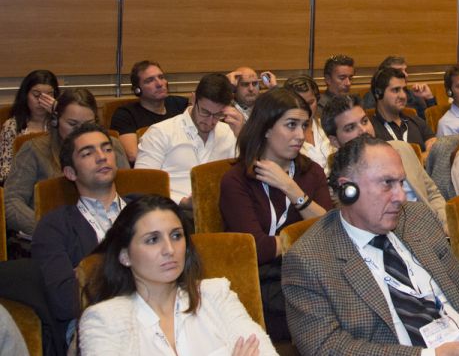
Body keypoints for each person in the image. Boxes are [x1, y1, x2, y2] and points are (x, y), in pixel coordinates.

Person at [281, 135, 459, 356]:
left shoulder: (415, 218)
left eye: (401, 183)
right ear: (348, 189)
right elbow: (325, 347)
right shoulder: (309, 259)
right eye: (387, 184)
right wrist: (430, 355)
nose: (400, 197)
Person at [79, 194, 277, 355]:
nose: (169, 249)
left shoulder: (216, 295)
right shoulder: (105, 319)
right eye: (152, 240)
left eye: (176, 236)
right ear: (125, 256)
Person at [220, 88, 331, 340]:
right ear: (266, 128)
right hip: (263, 281)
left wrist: (291, 189)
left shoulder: (310, 171)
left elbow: (330, 231)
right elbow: (257, 249)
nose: (300, 135)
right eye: (291, 125)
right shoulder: (236, 180)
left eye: (304, 126)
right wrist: (302, 238)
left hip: (310, 272)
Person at [31, 123, 128, 345]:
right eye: (87, 153)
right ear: (70, 173)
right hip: (96, 327)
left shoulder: (145, 209)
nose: (101, 157)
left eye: (107, 149)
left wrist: (88, 272)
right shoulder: (53, 227)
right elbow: (64, 301)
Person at [5, 88, 129, 236]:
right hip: (52, 236)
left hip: (108, 234)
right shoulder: (34, 150)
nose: (81, 131)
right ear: (56, 120)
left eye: (88, 124)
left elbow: (127, 191)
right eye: (73, 124)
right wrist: (49, 229)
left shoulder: (112, 146)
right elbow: (11, 202)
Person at [321, 96, 447, 232]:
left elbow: (432, 193)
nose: (363, 130)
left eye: (364, 121)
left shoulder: (402, 149)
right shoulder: (341, 184)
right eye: (350, 128)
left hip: (433, 231)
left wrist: (444, 226)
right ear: (334, 141)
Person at [135, 73, 237, 210]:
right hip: (172, 210)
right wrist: (180, 201)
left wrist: (241, 135)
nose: (210, 121)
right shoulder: (161, 132)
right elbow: (142, 185)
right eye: (205, 112)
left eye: (218, 115)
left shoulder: (229, 132)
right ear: (193, 99)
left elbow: (246, 177)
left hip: (219, 211)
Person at [110, 60, 189, 164]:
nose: (159, 84)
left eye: (161, 77)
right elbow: (133, 155)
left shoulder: (180, 104)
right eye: (149, 80)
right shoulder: (125, 115)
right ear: (137, 90)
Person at [0, 69, 59, 184]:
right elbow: (4, 171)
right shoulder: (12, 126)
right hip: (22, 185)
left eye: (49, 95)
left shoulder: (61, 122)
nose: (42, 101)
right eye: (36, 95)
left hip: (55, 184)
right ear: (26, 95)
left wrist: (59, 111)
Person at [370, 68, 436, 153]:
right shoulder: (370, 129)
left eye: (404, 90)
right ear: (378, 93)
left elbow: (434, 151)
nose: (403, 96)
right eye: (396, 90)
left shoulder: (417, 121)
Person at [282, 76, 334, 170]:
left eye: (310, 103)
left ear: (317, 100)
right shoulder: (283, 135)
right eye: (301, 104)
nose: (307, 109)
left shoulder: (327, 125)